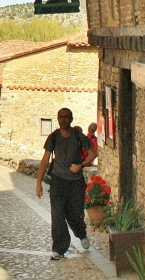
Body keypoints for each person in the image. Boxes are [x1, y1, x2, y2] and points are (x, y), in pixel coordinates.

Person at [35, 108, 97, 260]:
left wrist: (81, 165)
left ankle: (81, 234)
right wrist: (39, 183)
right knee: (57, 216)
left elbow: (93, 153)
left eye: (66, 117)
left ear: (71, 119)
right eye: (61, 117)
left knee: (74, 214)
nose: (63, 120)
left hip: (76, 182)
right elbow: (45, 160)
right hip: (58, 181)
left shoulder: (78, 136)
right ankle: (59, 249)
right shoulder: (53, 137)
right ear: (57, 119)